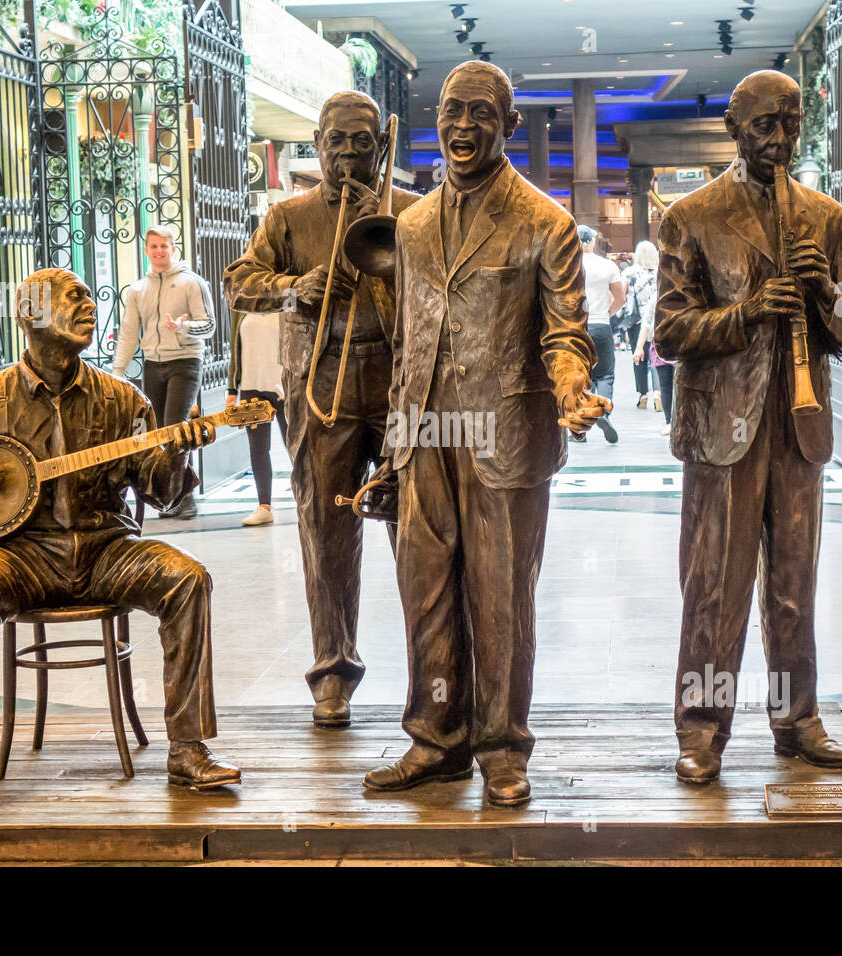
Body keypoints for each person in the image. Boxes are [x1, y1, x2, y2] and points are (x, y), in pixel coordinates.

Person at [0, 267, 240, 817]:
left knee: (189, 578)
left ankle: (188, 749)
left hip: (107, 549)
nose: (90, 306)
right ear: (31, 313)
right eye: (73, 298)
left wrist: (178, 451)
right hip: (22, 554)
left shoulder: (122, 399)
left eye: (88, 298)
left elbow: (161, 495)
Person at [363, 61, 608, 808]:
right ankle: (435, 740)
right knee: (425, 593)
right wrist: (393, 450)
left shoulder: (545, 222)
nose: (463, 126)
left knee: (500, 600)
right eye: (451, 111)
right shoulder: (409, 224)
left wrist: (570, 387)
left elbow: (566, 331)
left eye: (480, 113)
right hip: (425, 434)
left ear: (505, 123)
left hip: (504, 435)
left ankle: (502, 746)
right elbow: (408, 342)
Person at [653, 70, 842, 784]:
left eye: (790, 124)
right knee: (713, 588)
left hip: (798, 427)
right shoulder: (693, 214)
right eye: (763, 127)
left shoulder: (825, 217)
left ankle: (796, 718)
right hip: (724, 430)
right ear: (734, 129)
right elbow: (670, 330)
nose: (778, 140)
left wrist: (824, 292)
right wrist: (746, 312)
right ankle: (701, 728)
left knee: (792, 585)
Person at [223, 91, 419, 728]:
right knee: (325, 532)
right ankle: (332, 672)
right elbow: (237, 282)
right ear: (317, 141)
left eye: (363, 141)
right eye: (336, 140)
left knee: (419, 533)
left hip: (397, 389)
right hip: (321, 387)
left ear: (380, 146)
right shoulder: (290, 217)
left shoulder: (414, 213)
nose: (348, 153)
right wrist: (292, 289)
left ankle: (435, 674)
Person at [112, 225, 216, 520]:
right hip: (153, 364)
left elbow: (209, 325)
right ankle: (170, 496)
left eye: (164, 246)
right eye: (154, 246)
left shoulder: (191, 283)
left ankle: (187, 498)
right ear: (146, 250)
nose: (159, 251)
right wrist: (118, 372)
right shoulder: (137, 290)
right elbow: (129, 333)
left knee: (177, 430)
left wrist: (184, 326)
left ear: (173, 249)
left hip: (185, 361)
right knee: (160, 433)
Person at [226, 309, 288, 526]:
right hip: (251, 387)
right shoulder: (241, 308)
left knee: (296, 447)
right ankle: (264, 506)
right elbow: (235, 347)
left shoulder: (284, 305)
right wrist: (232, 389)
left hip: (284, 386)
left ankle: (308, 500)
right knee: (258, 449)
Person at [578, 225, 625, 444]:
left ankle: (578, 430)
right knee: (605, 374)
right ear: (592, 242)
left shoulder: (569, 265)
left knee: (578, 377)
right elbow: (620, 298)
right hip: (601, 325)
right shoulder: (607, 265)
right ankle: (604, 412)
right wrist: (607, 313)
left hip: (576, 327)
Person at [624, 240, 660, 409]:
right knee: (656, 355)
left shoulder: (629, 272)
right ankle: (658, 392)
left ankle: (643, 394)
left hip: (636, 320)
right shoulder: (661, 273)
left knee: (639, 357)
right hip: (656, 318)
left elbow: (623, 294)